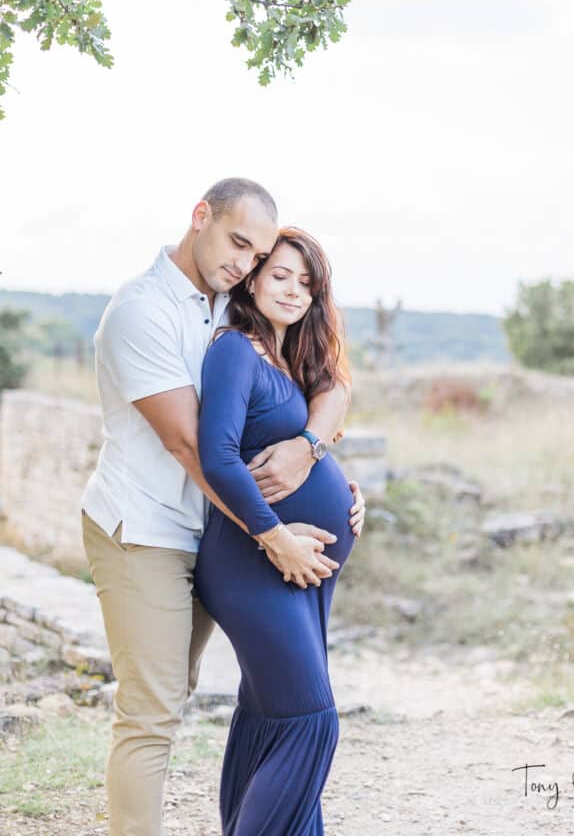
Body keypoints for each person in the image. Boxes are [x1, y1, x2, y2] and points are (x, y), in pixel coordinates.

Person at [81, 178, 366, 836]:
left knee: (265, 705)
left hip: (219, 532)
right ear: (199, 215)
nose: (244, 262)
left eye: (256, 254)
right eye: (238, 243)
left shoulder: (232, 307)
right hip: (148, 528)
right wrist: (274, 534)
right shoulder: (143, 311)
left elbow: (326, 386)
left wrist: (314, 455)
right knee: (154, 713)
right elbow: (192, 445)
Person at [194, 226, 357, 836]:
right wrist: (276, 536)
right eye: (280, 275)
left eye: (306, 282)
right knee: (311, 719)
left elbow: (319, 416)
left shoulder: (289, 358)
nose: (293, 290)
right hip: (251, 561)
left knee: (268, 716)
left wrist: (343, 491)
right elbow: (219, 459)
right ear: (254, 277)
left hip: (301, 569)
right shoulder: (235, 349)